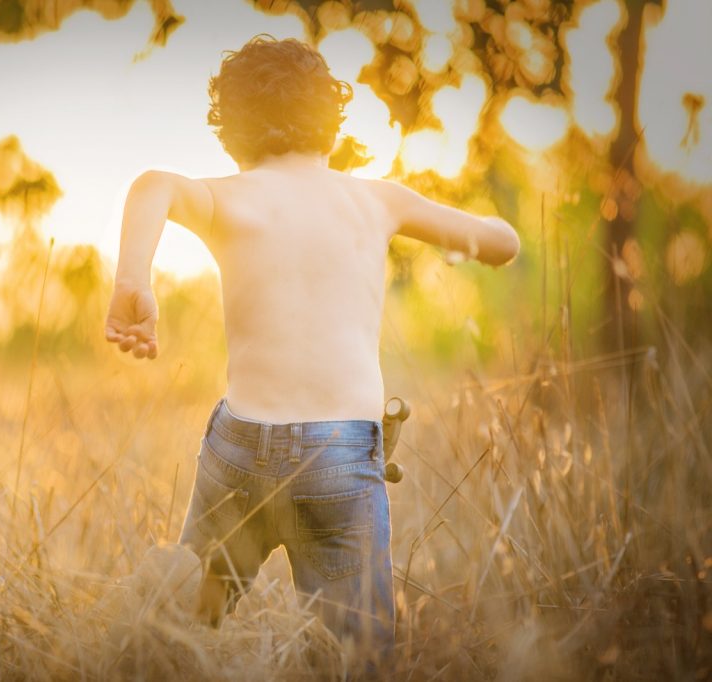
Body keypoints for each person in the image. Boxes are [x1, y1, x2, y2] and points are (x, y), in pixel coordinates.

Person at [105, 36, 519, 671]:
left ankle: (159, 631)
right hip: (340, 462)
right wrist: (492, 236)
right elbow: (500, 243)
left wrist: (134, 278)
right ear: (331, 124)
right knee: (357, 655)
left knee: (185, 623)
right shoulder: (377, 199)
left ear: (231, 134)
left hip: (239, 455)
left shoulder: (229, 197)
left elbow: (153, 183)